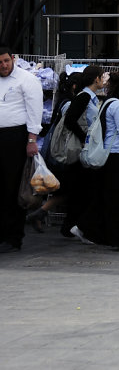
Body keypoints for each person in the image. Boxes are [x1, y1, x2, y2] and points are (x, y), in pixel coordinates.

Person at [72, 70, 119, 251]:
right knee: (118, 200)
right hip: (118, 156)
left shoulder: (106, 103)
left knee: (106, 196)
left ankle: (84, 226)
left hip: (109, 155)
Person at [47, 66, 105, 238]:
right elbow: (71, 120)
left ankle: (70, 226)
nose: (103, 80)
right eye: (102, 77)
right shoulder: (85, 97)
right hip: (81, 150)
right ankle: (78, 226)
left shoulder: (89, 97)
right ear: (96, 79)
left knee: (78, 189)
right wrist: (83, 137)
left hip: (84, 150)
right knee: (84, 188)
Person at [0, 46, 43, 253]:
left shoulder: (27, 79)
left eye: (6, 61)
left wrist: (31, 139)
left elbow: (35, 109)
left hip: (15, 137)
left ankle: (13, 237)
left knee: (12, 187)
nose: (3, 65)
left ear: (13, 59)